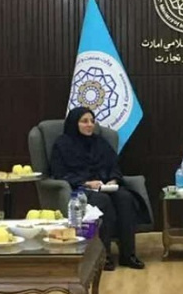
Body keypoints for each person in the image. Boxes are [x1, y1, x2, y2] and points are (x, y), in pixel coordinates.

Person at [50, 107, 148, 271]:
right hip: (80, 189)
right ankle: (103, 256)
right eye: (84, 121)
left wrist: (113, 179)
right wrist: (87, 183)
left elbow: (114, 165)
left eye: (92, 121)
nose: (90, 125)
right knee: (103, 201)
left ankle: (128, 255)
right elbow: (59, 173)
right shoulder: (62, 145)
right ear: (74, 124)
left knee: (125, 198)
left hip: (105, 186)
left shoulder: (100, 142)